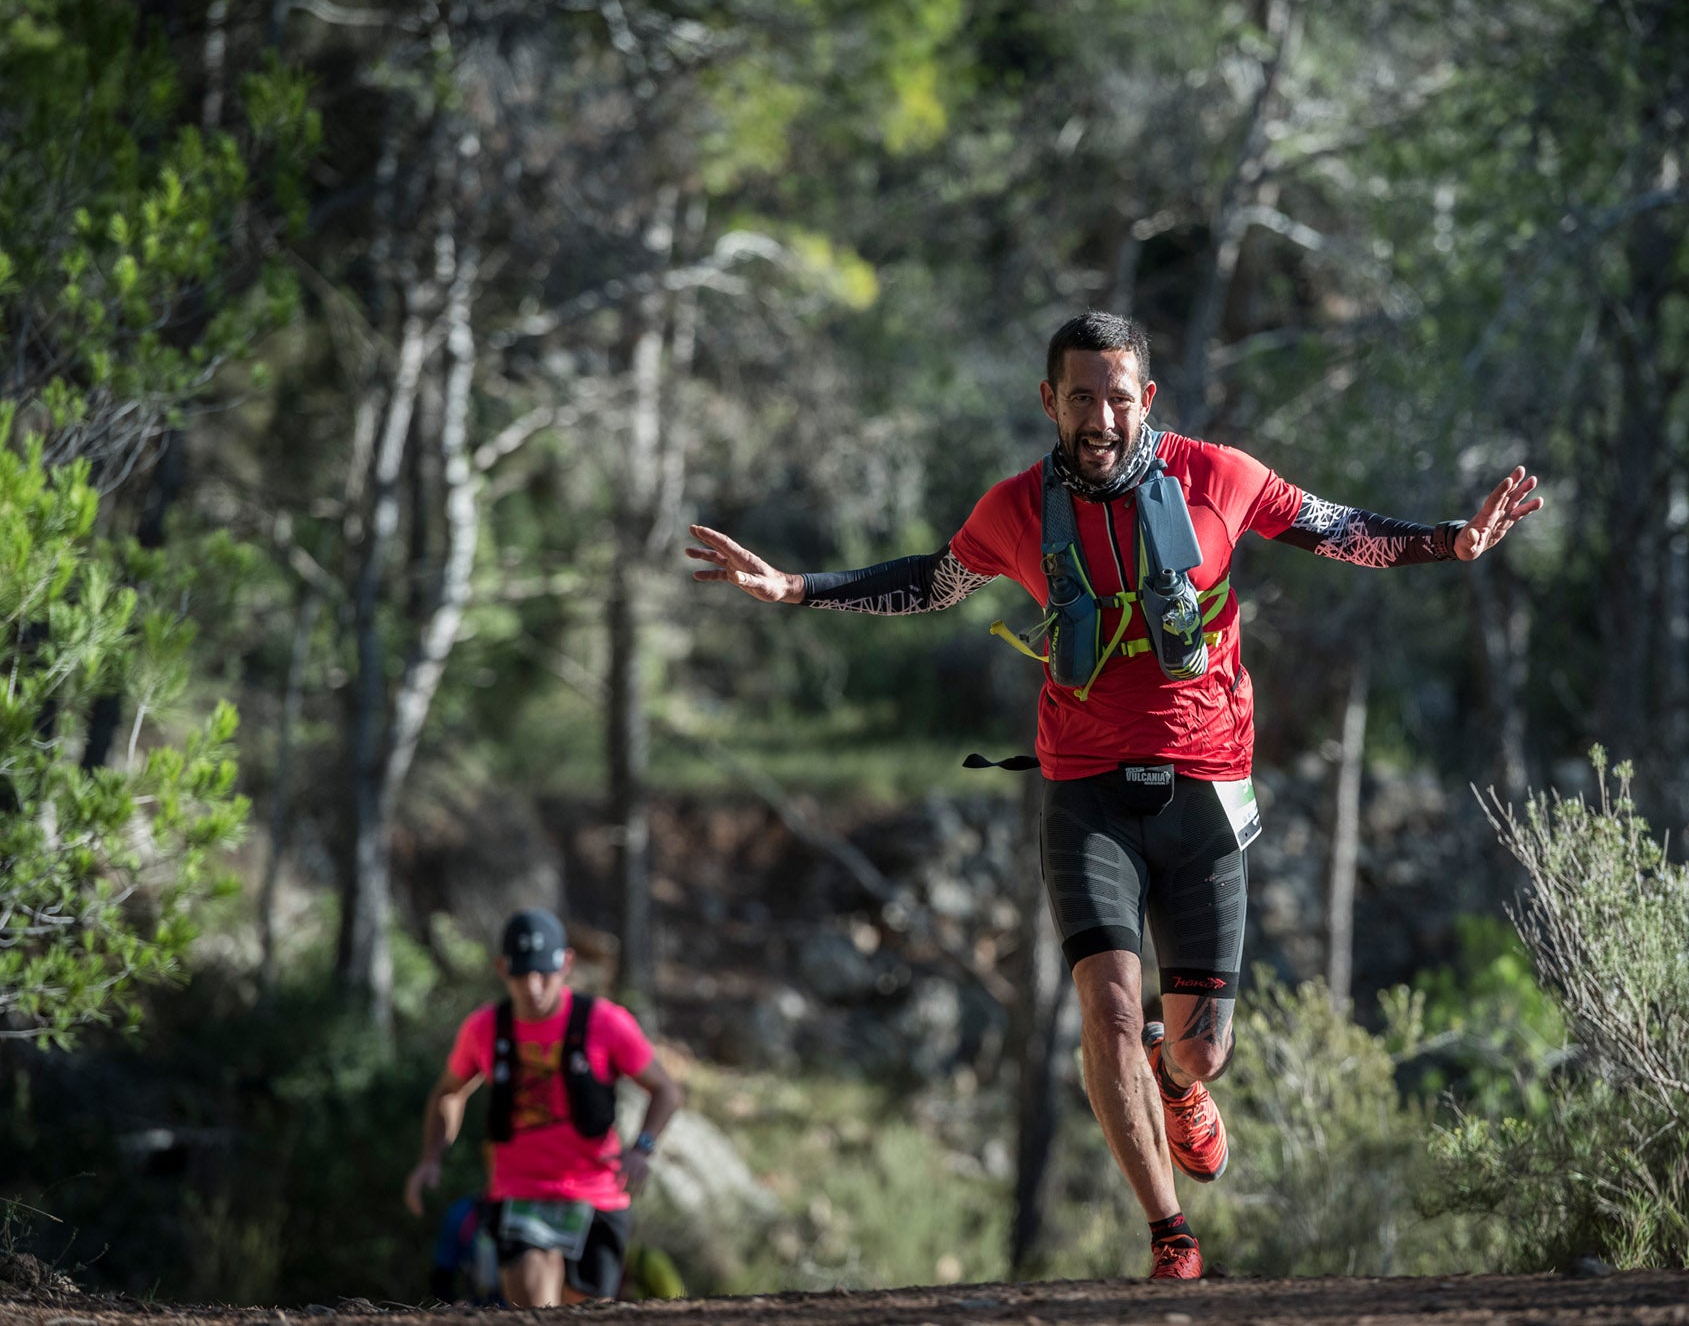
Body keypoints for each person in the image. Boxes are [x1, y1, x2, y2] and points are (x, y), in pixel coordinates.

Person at [687, 312, 1542, 1280]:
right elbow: (931, 582)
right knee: (1104, 1007)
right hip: (1083, 782)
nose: (1100, 417)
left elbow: (1337, 529)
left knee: (1200, 1051)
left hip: (1206, 783)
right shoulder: (1013, 510)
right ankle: (1168, 1231)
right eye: (1081, 397)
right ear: (1048, 401)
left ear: (1148, 400)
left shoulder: (1221, 477)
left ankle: (1179, 1083)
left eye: (1118, 397)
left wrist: (1450, 543)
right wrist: (798, 588)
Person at [403, 908, 682, 1306]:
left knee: (588, 1310)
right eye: (521, 975)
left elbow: (666, 1091)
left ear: (566, 964)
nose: (532, 988)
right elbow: (449, 1092)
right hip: (520, 1191)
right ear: (502, 969)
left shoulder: (605, 1022)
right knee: (533, 1305)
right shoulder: (485, 1028)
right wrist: (431, 1157)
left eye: (544, 974)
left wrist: (643, 1148)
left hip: (597, 1192)